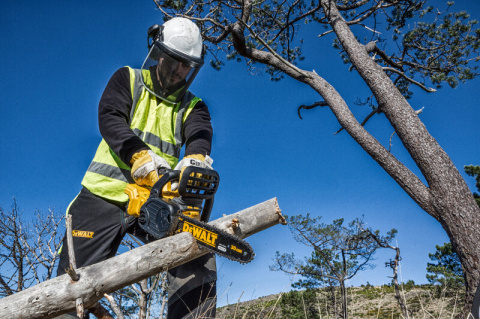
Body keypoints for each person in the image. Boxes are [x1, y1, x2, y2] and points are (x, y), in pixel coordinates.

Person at [56, 17, 217, 319]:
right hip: (102, 195)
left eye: (188, 65)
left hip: (155, 200)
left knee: (195, 250)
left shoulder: (194, 107)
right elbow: (110, 117)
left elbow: (200, 133)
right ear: (159, 54)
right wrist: (138, 156)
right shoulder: (128, 79)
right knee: (68, 286)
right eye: (176, 62)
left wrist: (195, 159)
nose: (181, 71)